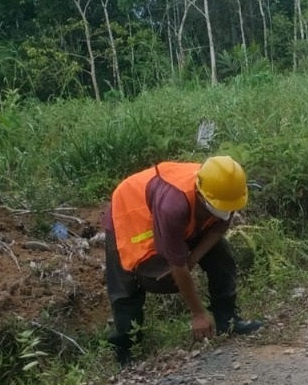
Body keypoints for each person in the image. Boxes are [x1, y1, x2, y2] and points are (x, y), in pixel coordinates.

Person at [102, 156, 263, 367]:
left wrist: (192, 259)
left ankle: (228, 321)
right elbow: (176, 264)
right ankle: (126, 350)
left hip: (174, 210)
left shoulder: (226, 189)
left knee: (220, 252)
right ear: (201, 194)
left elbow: (220, 226)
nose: (227, 211)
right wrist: (198, 314)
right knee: (131, 283)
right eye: (221, 206)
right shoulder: (174, 206)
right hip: (131, 213)